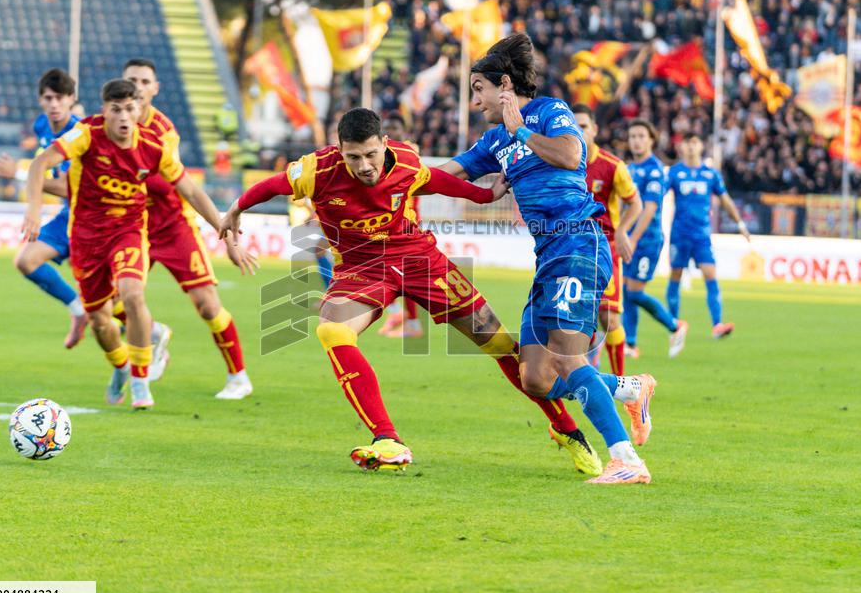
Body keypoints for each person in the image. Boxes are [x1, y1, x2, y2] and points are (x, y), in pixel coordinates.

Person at [221, 107, 606, 476]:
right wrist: (235, 210)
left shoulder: (404, 161)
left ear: (385, 143)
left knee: (499, 343)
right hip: (362, 267)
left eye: (371, 154)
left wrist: (484, 196)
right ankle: (387, 439)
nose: (365, 165)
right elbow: (272, 185)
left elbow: (437, 180)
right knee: (332, 329)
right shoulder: (316, 169)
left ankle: (566, 429)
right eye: (354, 157)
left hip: (419, 259)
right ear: (340, 151)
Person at [438, 34, 657, 484]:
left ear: (503, 85)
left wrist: (522, 131)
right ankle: (627, 388)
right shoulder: (494, 140)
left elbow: (571, 154)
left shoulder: (549, 112)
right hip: (548, 258)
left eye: (478, 90)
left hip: (579, 243)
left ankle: (627, 461)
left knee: (570, 360)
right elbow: (448, 172)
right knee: (535, 376)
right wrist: (389, 176)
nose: (474, 101)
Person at [21, 79, 225, 409]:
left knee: (133, 293)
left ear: (138, 110)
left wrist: (223, 226)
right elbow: (39, 163)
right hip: (86, 238)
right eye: (116, 110)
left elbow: (191, 190)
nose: (123, 117)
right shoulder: (86, 133)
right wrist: (32, 209)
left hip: (128, 231)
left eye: (129, 109)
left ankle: (142, 382)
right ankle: (121, 367)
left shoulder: (154, 146)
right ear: (104, 112)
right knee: (101, 321)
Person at [123, 58, 257, 399]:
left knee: (207, 305)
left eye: (144, 81)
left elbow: (183, 187)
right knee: (112, 303)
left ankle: (238, 376)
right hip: (131, 228)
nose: (138, 86)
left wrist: (227, 235)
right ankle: (154, 335)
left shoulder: (163, 132)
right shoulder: (110, 126)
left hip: (172, 227)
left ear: (154, 88)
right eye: (131, 80)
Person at [0, 69, 86, 348]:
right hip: (68, 216)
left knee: (109, 307)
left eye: (60, 98)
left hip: (92, 220)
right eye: (48, 98)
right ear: (41, 100)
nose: (54, 104)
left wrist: (20, 174)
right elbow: (42, 169)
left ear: (71, 99)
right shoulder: (42, 126)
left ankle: (152, 336)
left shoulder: (80, 133)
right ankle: (78, 310)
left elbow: (71, 187)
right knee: (25, 260)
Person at [571, 104, 642, 375]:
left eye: (584, 126)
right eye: (573, 125)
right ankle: (584, 371)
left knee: (609, 317)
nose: (578, 131)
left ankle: (622, 383)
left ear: (595, 130)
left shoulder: (613, 166)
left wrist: (623, 231)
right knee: (576, 318)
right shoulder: (560, 165)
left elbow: (635, 203)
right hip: (571, 251)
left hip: (605, 249)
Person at [665, 133, 750, 337]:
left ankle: (717, 324)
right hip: (680, 234)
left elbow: (726, 200)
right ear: (682, 147)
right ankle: (673, 324)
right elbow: (658, 197)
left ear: (701, 146)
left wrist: (740, 223)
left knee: (710, 274)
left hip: (702, 235)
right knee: (675, 276)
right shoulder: (675, 173)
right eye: (688, 143)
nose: (691, 147)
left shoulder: (711, 174)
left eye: (695, 142)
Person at [624, 119, 688, 359]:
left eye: (641, 136)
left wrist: (633, 238)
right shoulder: (629, 169)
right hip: (629, 238)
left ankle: (675, 325)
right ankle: (630, 343)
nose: (636, 141)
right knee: (626, 290)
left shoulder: (654, 169)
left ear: (651, 139)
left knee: (635, 292)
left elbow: (649, 208)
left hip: (647, 240)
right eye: (632, 136)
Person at [377, 113, 423, 338]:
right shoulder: (385, 154)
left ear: (404, 131)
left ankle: (411, 323)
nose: (391, 133)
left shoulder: (407, 150)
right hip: (391, 222)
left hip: (407, 222)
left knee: (403, 275)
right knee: (387, 271)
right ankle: (398, 315)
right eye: (388, 129)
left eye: (396, 128)